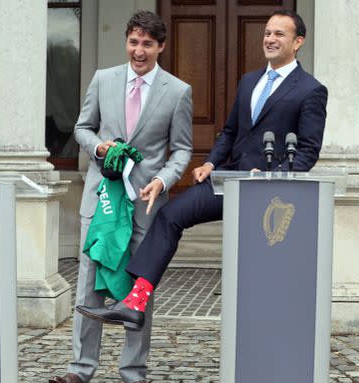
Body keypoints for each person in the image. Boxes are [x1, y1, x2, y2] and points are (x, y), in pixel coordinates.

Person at [77, 9, 327, 330]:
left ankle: (270, 327)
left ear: (298, 42)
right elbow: (232, 132)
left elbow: (308, 151)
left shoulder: (311, 90)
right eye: (267, 32)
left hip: (272, 192)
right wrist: (210, 162)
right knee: (170, 215)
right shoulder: (250, 81)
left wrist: (271, 175)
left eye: (279, 34)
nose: (270, 39)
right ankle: (134, 302)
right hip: (228, 181)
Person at [49, 10, 193, 383]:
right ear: (126, 42)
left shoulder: (178, 92)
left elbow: (181, 150)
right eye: (133, 42)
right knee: (89, 281)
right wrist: (99, 149)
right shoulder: (103, 80)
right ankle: (80, 369)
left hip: (146, 205)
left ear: (161, 46)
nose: (139, 51)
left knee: (139, 289)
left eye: (147, 43)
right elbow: (83, 127)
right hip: (102, 201)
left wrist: (163, 180)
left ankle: (133, 370)